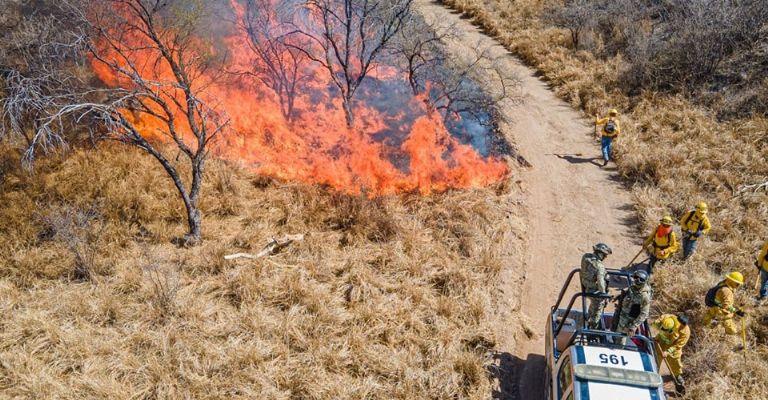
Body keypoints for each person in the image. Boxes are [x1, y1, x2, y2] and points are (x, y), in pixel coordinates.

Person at [652, 314, 690, 391]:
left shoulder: (685, 331)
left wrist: (668, 352)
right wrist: (656, 325)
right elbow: (655, 323)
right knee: (655, 359)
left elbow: (678, 346)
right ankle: (654, 374)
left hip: (673, 348)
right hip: (661, 341)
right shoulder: (666, 318)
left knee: (675, 363)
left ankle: (677, 378)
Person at [613, 270, 652, 345]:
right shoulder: (633, 287)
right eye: (636, 278)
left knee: (620, 339)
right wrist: (619, 296)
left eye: (641, 279)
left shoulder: (644, 296)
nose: (638, 281)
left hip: (628, 321)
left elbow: (644, 314)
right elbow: (629, 293)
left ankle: (619, 349)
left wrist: (633, 327)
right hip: (621, 315)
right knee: (615, 333)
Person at [581, 243, 612, 329]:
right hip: (592, 288)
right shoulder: (600, 266)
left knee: (595, 302)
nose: (605, 257)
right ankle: (594, 325)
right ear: (600, 253)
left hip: (585, 283)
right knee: (600, 303)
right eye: (605, 255)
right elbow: (601, 284)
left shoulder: (586, 257)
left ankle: (588, 317)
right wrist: (605, 296)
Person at [704, 271, 745, 337]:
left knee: (708, 320)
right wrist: (737, 311)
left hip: (714, 306)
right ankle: (726, 335)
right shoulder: (727, 291)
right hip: (722, 311)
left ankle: (706, 327)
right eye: (737, 283)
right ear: (732, 281)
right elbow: (726, 306)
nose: (738, 285)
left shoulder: (723, 283)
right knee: (732, 330)